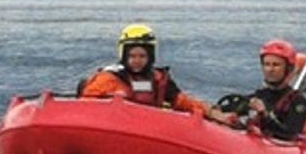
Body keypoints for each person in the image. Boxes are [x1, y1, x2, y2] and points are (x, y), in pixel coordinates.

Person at [79, 23, 231, 123]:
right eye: (132, 56)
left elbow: (181, 100)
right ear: (124, 56)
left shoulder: (158, 79)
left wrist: (211, 112)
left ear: (150, 57)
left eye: (142, 56)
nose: (137, 61)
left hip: (152, 131)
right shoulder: (109, 79)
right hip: (117, 129)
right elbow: (85, 106)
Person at [238, 39, 306, 140]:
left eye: (276, 65)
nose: (270, 69)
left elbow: (290, 134)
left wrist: (265, 115)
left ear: (288, 68)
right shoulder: (258, 96)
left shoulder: (298, 101)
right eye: (267, 64)